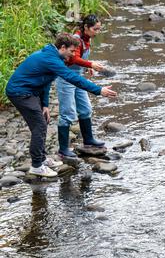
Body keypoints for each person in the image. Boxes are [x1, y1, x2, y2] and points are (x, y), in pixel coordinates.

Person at [5, 33, 117, 177]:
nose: (73, 55)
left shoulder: (53, 56)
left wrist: (45, 105)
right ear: (63, 47)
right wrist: (98, 90)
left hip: (30, 91)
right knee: (39, 126)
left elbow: (45, 82)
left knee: (42, 123)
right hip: (20, 93)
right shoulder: (51, 59)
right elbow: (71, 77)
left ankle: (42, 159)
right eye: (71, 51)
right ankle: (37, 166)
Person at [56, 14, 107, 157]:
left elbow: (80, 58)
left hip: (78, 77)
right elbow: (73, 58)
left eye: (99, 29)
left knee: (86, 109)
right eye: (95, 29)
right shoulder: (76, 39)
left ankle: (88, 140)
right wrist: (90, 64)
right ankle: (63, 149)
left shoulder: (86, 38)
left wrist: (87, 66)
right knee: (67, 113)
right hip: (66, 78)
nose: (97, 32)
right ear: (86, 27)